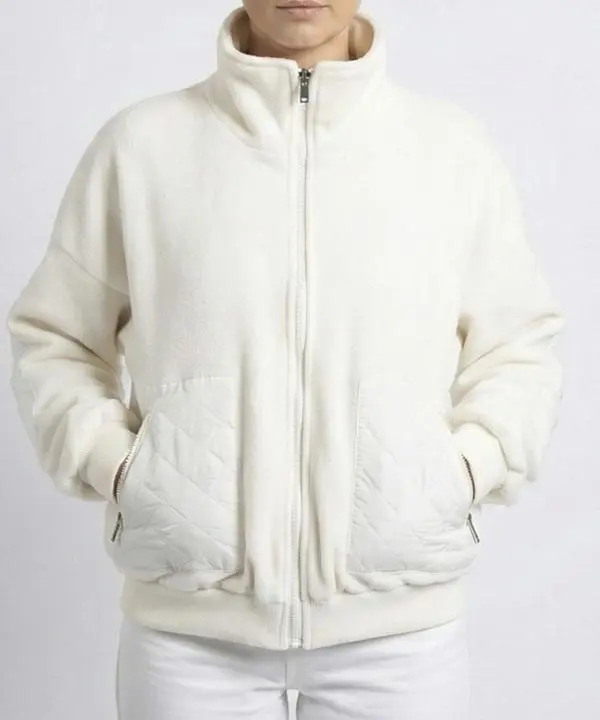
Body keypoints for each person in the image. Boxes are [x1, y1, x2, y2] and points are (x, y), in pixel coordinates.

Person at [5, 1, 565, 718]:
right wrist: (119, 468)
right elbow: (56, 336)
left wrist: (462, 472)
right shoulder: (141, 147)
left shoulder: (450, 151)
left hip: (401, 638)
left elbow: (518, 348)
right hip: (188, 638)